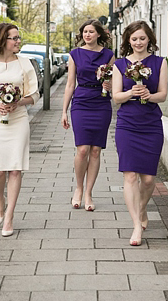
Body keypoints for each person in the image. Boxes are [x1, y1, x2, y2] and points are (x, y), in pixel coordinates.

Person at [0, 23, 40, 237]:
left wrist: (18, 103)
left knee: (15, 169)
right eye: (14, 38)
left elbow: (35, 94)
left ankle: (10, 216)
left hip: (18, 120)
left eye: (18, 38)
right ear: (3, 40)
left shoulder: (25, 64)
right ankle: (0, 202)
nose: (18, 41)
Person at [112, 20, 168, 246]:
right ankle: (136, 225)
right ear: (128, 40)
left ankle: (142, 208)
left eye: (142, 38)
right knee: (130, 176)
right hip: (127, 123)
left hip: (151, 123)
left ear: (149, 40)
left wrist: (148, 94)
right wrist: (131, 93)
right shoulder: (119, 64)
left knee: (148, 179)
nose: (138, 42)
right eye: (134, 39)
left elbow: (162, 95)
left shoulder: (160, 62)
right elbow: (116, 97)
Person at [61, 19, 114, 211]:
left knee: (95, 150)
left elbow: (113, 80)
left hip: (101, 103)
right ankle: (79, 188)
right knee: (82, 149)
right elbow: (70, 84)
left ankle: (89, 193)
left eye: (91, 31)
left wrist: (109, 84)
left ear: (99, 34)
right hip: (81, 102)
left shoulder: (109, 55)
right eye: (85, 32)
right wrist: (64, 111)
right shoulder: (75, 54)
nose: (87, 35)